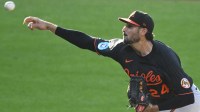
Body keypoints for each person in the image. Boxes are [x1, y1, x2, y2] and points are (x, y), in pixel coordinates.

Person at [23, 10, 200, 112]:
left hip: (187, 105)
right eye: (125, 25)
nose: (124, 29)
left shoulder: (165, 57)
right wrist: (49, 26)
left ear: (143, 31)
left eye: (130, 26)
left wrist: (154, 107)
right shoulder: (120, 49)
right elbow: (87, 42)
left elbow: (186, 96)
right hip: (158, 105)